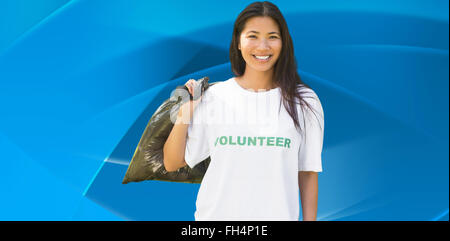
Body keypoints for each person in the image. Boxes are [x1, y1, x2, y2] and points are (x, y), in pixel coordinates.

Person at [163, 1, 324, 221]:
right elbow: (173, 162)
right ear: (238, 42)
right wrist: (186, 112)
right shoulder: (214, 96)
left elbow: (307, 173)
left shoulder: (303, 101)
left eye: (272, 37)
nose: (262, 46)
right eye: (253, 36)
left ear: (284, 43)